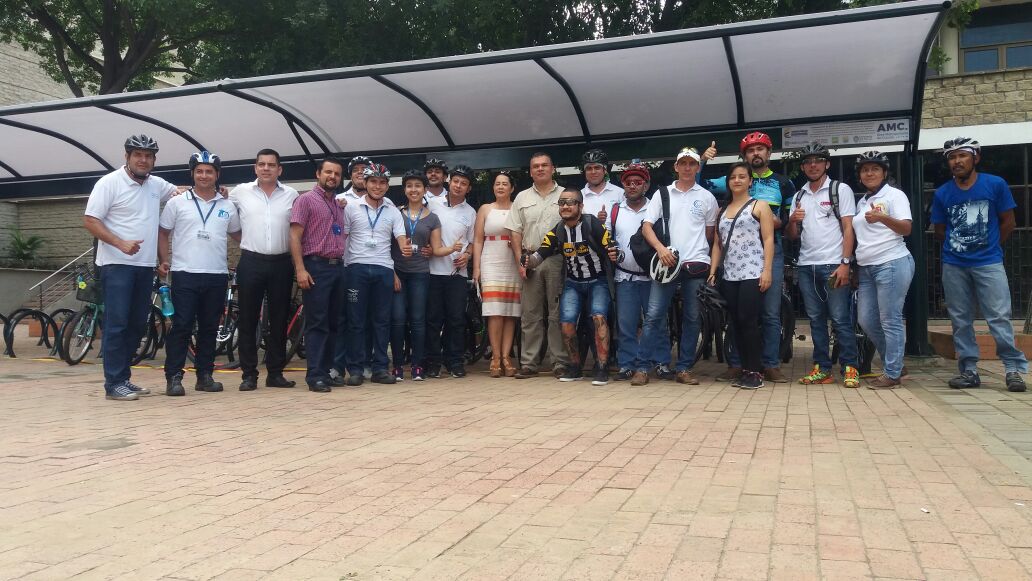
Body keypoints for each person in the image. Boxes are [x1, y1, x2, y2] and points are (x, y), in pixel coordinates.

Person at [83, 134, 178, 401]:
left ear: (154, 160)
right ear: (127, 157)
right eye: (138, 155)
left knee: (137, 325)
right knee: (117, 324)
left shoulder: (156, 184)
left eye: (148, 156)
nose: (143, 160)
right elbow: (90, 220)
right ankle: (113, 383)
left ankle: (123, 378)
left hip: (144, 267)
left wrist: (218, 190)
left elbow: (181, 192)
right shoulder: (109, 183)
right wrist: (119, 242)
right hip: (116, 265)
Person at [932, 137, 1027, 392]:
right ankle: (969, 370)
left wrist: (990, 246)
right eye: (952, 157)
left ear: (976, 157)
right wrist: (960, 247)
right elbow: (940, 230)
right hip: (954, 264)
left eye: (962, 155)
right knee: (960, 319)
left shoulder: (995, 184)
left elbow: (1009, 222)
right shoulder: (942, 193)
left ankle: (1012, 369)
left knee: (999, 316)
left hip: (989, 262)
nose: (957, 161)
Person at [701, 133, 794, 383]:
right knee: (737, 316)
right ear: (744, 155)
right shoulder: (729, 188)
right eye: (751, 150)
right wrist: (703, 160)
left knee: (770, 313)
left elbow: (787, 220)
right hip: (733, 262)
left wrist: (777, 223)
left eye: (760, 149)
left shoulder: (783, 183)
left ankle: (769, 364)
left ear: (769, 153)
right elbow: (699, 184)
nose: (756, 153)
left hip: (766, 255)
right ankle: (737, 364)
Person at [158, 152, 241, 396]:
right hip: (185, 273)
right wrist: (163, 260)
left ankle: (205, 376)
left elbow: (238, 235)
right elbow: (163, 232)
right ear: (192, 173)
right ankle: (174, 377)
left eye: (209, 171)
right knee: (182, 326)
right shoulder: (177, 202)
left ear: (217, 175)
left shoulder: (227, 205)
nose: (204, 175)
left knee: (209, 328)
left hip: (216, 274)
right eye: (199, 171)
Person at [636, 147, 718, 386]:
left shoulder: (707, 197)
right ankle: (642, 367)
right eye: (683, 163)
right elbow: (646, 227)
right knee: (653, 316)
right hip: (666, 263)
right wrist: (661, 249)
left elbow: (710, 234)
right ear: (676, 167)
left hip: (696, 264)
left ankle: (684, 368)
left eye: (692, 163)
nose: (687, 168)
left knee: (692, 318)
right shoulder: (662, 193)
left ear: (698, 167)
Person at [784, 143, 861, 388]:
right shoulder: (799, 195)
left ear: (827, 164)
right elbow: (792, 236)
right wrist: (792, 221)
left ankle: (850, 367)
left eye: (818, 160)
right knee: (816, 319)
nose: (813, 165)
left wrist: (845, 263)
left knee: (839, 319)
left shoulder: (840, 189)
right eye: (808, 162)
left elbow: (848, 228)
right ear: (803, 167)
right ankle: (822, 368)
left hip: (833, 264)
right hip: (806, 265)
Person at [523, 187, 617, 385]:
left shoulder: (593, 224)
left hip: (598, 280)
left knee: (599, 317)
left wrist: (615, 253)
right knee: (566, 323)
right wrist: (527, 261)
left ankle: (602, 367)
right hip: (573, 283)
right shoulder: (557, 231)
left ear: (580, 206)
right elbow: (539, 256)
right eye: (561, 203)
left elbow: (612, 247)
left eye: (570, 202)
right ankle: (575, 367)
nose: (565, 206)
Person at [228, 149, 299, 391]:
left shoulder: (291, 194)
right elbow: (224, 212)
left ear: (279, 169)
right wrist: (248, 240)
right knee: (248, 319)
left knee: (279, 319)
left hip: (282, 263)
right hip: (251, 262)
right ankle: (249, 375)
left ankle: (275, 373)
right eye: (262, 164)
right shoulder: (240, 192)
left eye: (271, 165)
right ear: (255, 168)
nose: (266, 168)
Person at [342, 163, 411, 386]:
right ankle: (355, 369)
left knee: (382, 321)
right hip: (356, 268)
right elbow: (343, 238)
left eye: (382, 183)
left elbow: (401, 236)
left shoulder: (392, 210)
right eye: (373, 181)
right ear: (365, 182)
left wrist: (405, 247)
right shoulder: (351, 207)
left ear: (387, 186)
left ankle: (380, 368)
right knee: (356, 321)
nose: (377, 186)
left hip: (383, 269)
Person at [708, 162, 775, 390]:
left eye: (742, 176)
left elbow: (768, 239)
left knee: (749, 321)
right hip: (730, 274)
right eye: (733, 177)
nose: (737, 180)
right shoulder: (722, 210)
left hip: (752, 272)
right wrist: (713, 272)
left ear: (750, 181)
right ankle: (745, 369)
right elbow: (717, 244)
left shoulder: (760, 206)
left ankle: (755, 371)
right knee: (735, 323)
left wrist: (767, 270)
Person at [851, 151, 914, 389]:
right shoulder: (862, 201)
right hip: (866, 268)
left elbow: (906, 228)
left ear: (884, 173)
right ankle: (895, 363)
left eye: (875, 169)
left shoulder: (895, 195)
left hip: (892, 262)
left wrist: (882, 218)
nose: (869, 173)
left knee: (890, 319)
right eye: (865, 170)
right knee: (866, 319)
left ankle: (892, 373)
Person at [290, 158, 350, 392]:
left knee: (334, 323)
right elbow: (295, 236)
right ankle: (315, 375)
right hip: (316, 266)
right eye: (328, 172)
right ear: (318, 174)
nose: (332, 177)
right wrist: (300, 269)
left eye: (337, 174)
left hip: (337, 267)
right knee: (317, 323)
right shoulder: (305, 200)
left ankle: (326, 372)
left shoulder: (338, 204)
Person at [505, 152, 568, 379]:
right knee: (530, 314)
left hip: (558, 259)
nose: (540, 169)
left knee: (556, 314)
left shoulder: (565, 195)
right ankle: (529, 363)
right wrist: (520, 262)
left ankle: (559, 362)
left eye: (544, 165)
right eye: (535, 166)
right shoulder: (521, 198)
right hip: (530, 258)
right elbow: (515, 232)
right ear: (530, 171)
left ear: (553, 168)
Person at [390, 169, 456, 382]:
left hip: (420, 273)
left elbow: (435, 249)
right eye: (409, 186)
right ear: (404, 190)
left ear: (425, 190)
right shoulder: (395, 213)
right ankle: (397, 365)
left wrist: (453, 249)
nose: (414, 190)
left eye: (418, 186)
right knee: (398, 319)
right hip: (398, 273)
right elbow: (385, 246)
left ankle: (418, 365)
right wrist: (392, 272)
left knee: (418, 320)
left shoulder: (433, 218)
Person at [332, 155, 392, 382]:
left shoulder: (389, 205)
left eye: (363, 168)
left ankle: (370, 366)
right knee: (347, 320)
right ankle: (342, 367)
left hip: (381, 267)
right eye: (356, 169)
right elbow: (338, 234)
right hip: (349, 267)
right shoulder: (340, 200)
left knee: (375, 320)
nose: (360, 172)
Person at [608, 162, 667, 381]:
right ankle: (627, 364)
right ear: (623, 185)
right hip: (625, 276)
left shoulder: (656, 208)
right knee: (626, 323)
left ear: (646, 185)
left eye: (638, 182)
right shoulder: (615, 210)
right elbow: (609, 239)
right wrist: (610, 251)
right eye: (628, 182)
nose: (632, 186)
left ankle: (661, 362)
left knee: (658, 321)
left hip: (652, 277)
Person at [425, 165, 477, 378]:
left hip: (457, 274)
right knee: (433, 320)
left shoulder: (471, 212)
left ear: (468, 188)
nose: (458, 186)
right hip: (432, 272)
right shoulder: (431, 204)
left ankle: (454, 361)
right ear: (449, 182)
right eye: (455, 181)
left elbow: (472, 242)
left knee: (456, 319)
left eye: (463, 183)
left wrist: (468, 255)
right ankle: (433, 362)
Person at [472, 171, 522, 377]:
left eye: (505, 184)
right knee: (495, 311)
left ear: (512, 188)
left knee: (510, 311)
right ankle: (495, 357)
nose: (500, 187)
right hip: (490, 260)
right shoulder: (485, 209)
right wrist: (476, 268)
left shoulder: (518, 208)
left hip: (512, 261)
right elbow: (477, 240)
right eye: (497, 184)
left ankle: (506, 357)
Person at [578, 148, 624, 372]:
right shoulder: (578, 196)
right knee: (592, 309)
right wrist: (594, 223)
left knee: (615, 307)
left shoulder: (619, 193)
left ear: (605, 170)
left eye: (597, 168)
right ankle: (596, 355)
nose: (593, 171)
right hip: (587, 259)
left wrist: (609, 222)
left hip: (615, 256)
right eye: (589, 168)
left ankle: (614, 352)